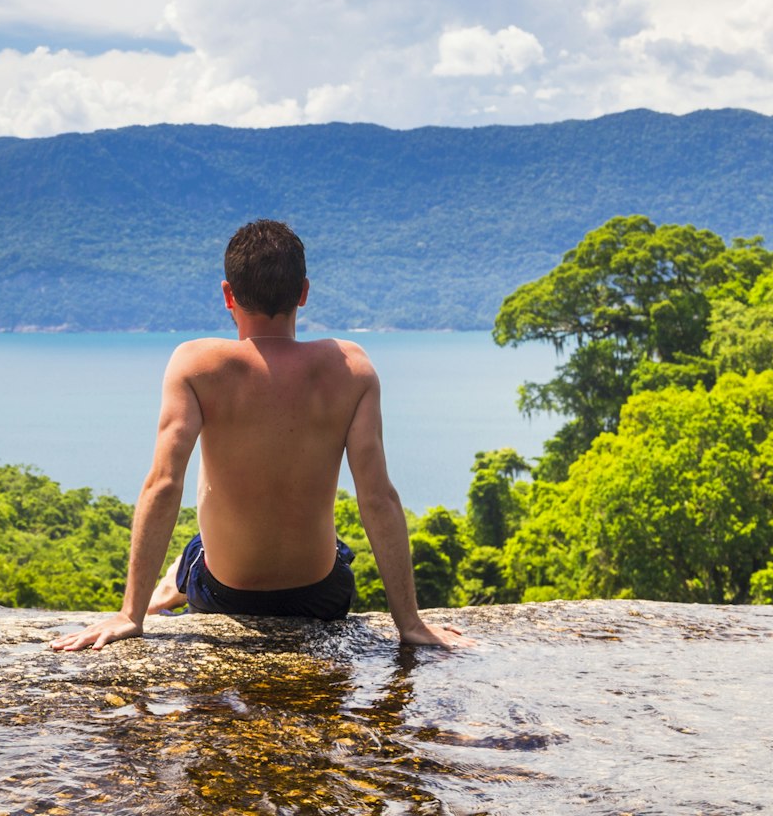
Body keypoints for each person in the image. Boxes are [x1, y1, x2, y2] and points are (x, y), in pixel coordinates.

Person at [51, 219, 464, 651]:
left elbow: (164, 483)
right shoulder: (352, 368)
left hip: (225, 591)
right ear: (303, 292)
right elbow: (377, 497)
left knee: (197, 546)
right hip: (321, 596)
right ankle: (184, 569)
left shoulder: (195, 365)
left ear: (228, 294)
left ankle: (177, 577)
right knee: (337, 549)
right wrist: (410, 624)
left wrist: (129, 616)